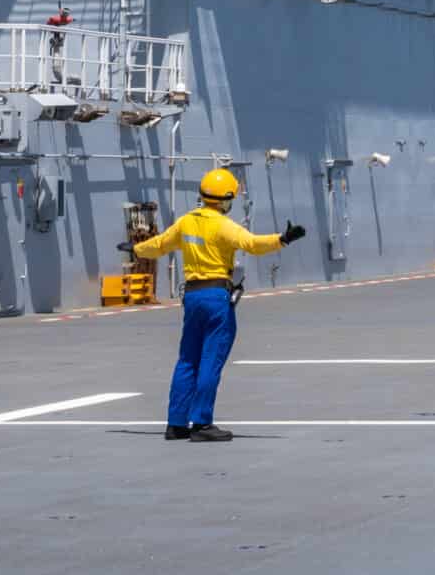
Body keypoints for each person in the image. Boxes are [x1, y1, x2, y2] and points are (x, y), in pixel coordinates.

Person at [126, 167, 304, 441]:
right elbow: (252, 244)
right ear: (225, 199)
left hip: (192, 297)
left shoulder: (186, 222)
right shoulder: (224, 225)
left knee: (187, 359)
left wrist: (136, 248)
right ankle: (201, 423)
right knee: (211, 359)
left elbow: (160, 245)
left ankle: (176, 423)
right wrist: (282, 239)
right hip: (216, 298)